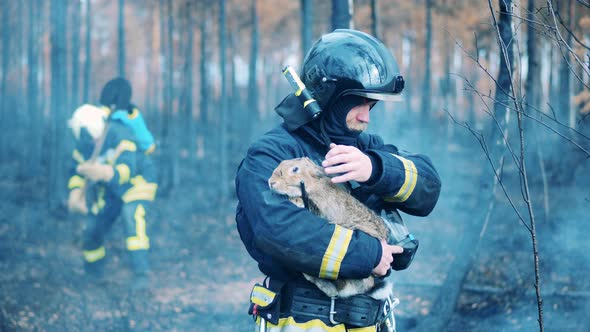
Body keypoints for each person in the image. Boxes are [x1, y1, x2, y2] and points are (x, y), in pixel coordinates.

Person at [235, 29, 441, 331]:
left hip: (371, 320)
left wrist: (374, 169)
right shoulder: (271, 153)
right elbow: (276, 228)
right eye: (358, 103)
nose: (366, 116)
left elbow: (429, 188)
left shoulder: (365, 147)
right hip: (302, 322)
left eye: (371, 105)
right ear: (328, 97)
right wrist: (369, 253)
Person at [67, 77, 158, 289]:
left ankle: (141, 274)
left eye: (90, 138)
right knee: (93, 225)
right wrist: (75, 192)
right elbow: (75, 170)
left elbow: (128, 168)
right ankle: (93, 274)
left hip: (138, 183)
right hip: (111, 190)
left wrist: (105, 172)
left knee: (131, 216)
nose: (89, 142)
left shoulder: (120, 132)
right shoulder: (83, 143)